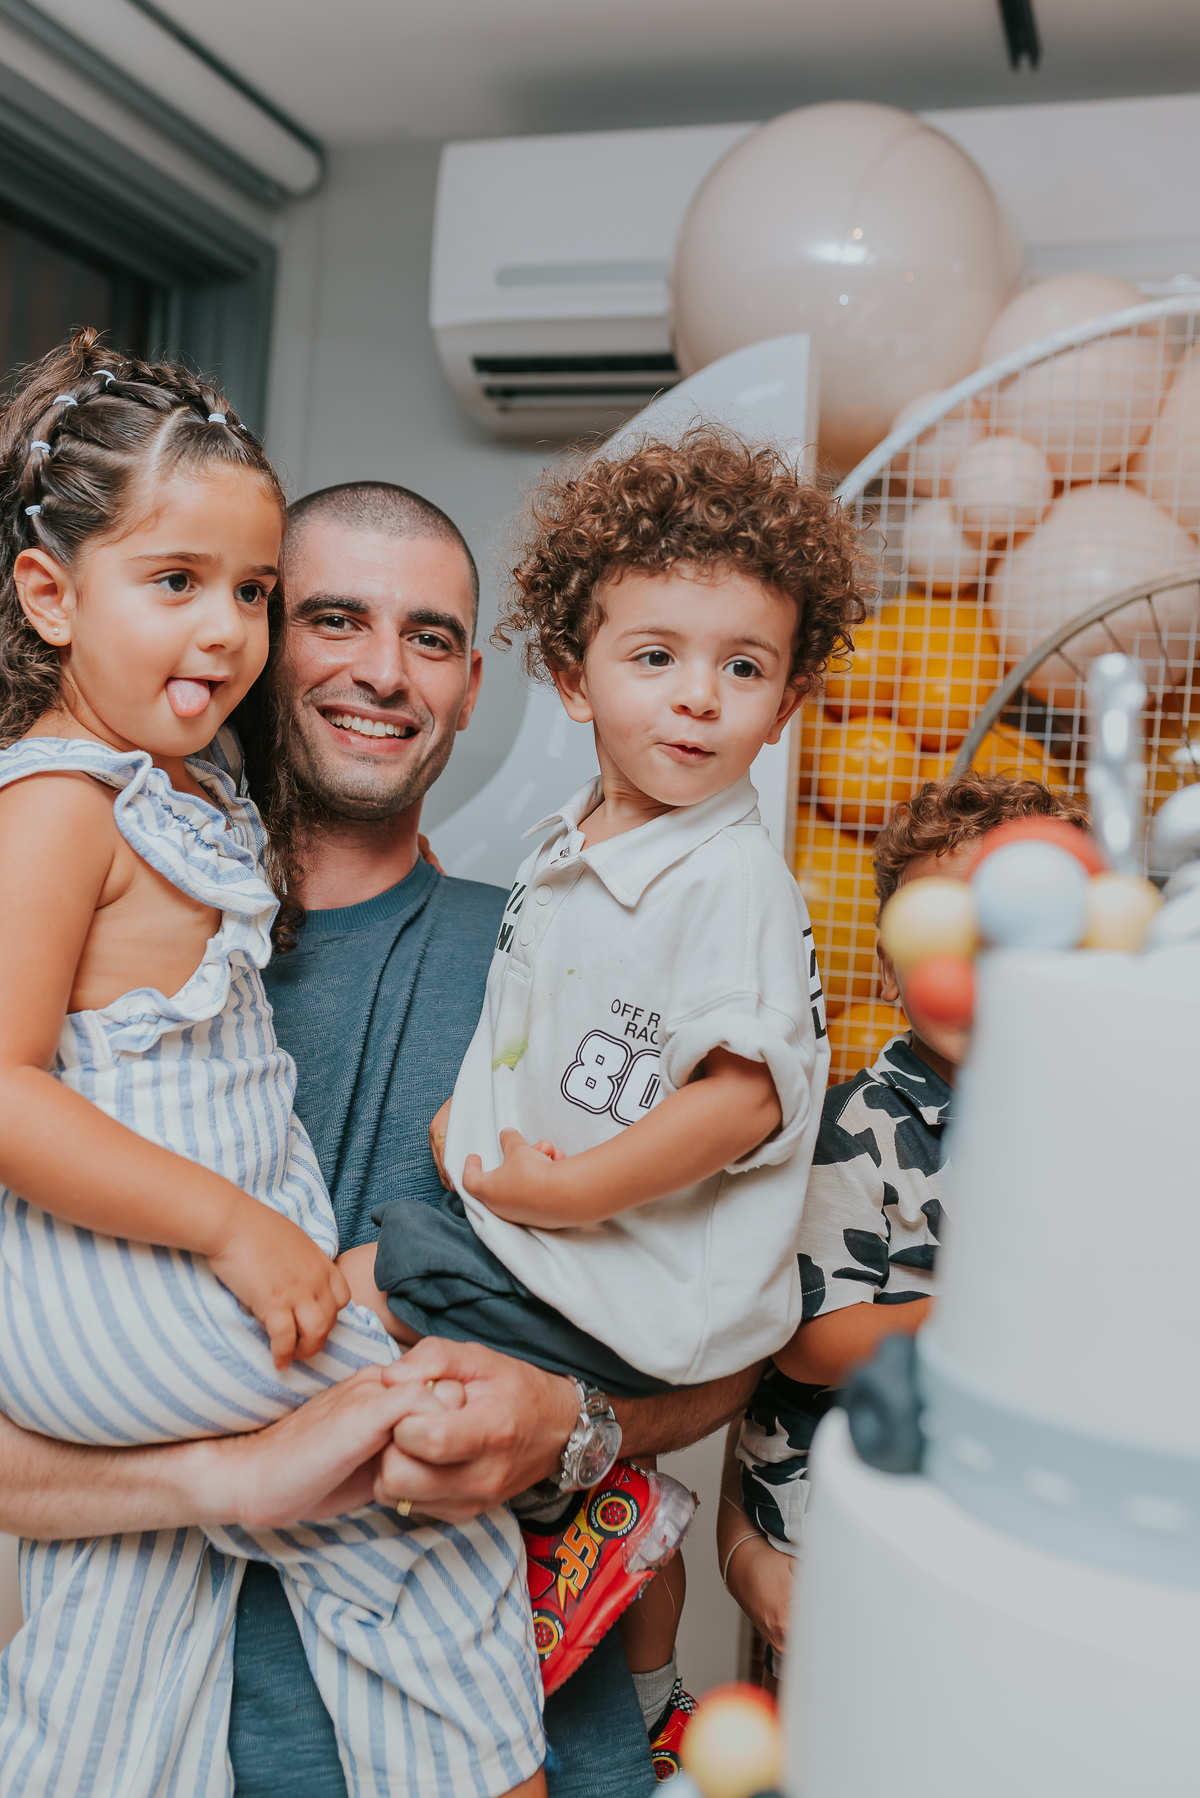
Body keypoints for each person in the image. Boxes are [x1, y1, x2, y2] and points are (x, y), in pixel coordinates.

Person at [0, 471, 763, 1798]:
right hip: (183, 1748)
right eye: (333, 617)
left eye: (431, 638)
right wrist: (241, 1475)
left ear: (472, 689)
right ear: (251, 644)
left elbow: (724, 1349)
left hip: (533, 1740)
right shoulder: (84, 962)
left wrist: (567, 1424)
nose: (384, 672)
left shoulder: (570, 960)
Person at [0, 335, 544, 1797]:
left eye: (248, 592)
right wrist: (246, 1228)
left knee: (113, 1650)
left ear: (475, 685)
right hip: (133, 1303)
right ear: (50, 596)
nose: (224, 629)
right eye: (180, 582)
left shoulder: (178, 801)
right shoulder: (60, 806)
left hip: (124, 1329)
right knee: (428, 1489)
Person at [353, 430, 864, 1763]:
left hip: (629, 1289)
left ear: (787, 701)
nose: (698, 698)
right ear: (574, 678)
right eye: (656, 657)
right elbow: (541, 1024)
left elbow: (740, 1104)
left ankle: (586, 1555)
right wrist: (467, 1124)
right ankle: (605, 1553)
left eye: (742, 668)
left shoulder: (729, 879)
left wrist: (567, 1190)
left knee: (382, 1277)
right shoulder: (574, 845)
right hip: (567, 1250)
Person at [722, 772, 1092, 1687]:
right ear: (889, 972)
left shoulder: (1086, 1128)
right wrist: (992, 1314)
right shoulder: (857, 1127)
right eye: (944, 937)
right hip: (848, 1520)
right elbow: (812, 1341)